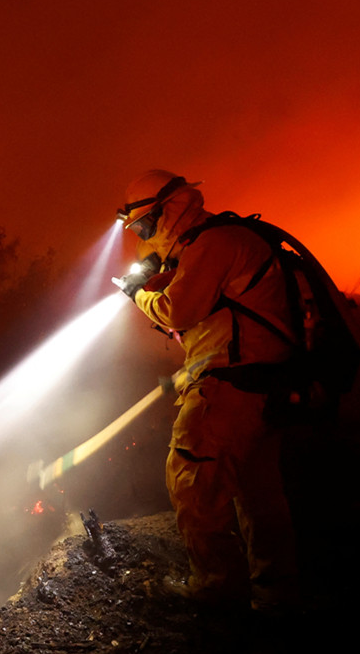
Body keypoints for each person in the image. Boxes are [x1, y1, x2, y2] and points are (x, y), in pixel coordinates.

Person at [115, 169, 300, 613]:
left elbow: (178, 311)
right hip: (261, 384)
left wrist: (138, 294)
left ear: (168, 210)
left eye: (145, 226)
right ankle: (275, 594)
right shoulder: (216, 241)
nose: (144, 235)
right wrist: (162, 276)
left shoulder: (212, 244)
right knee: (257, 493)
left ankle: (218, 591)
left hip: (230, 385)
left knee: (191, 481)